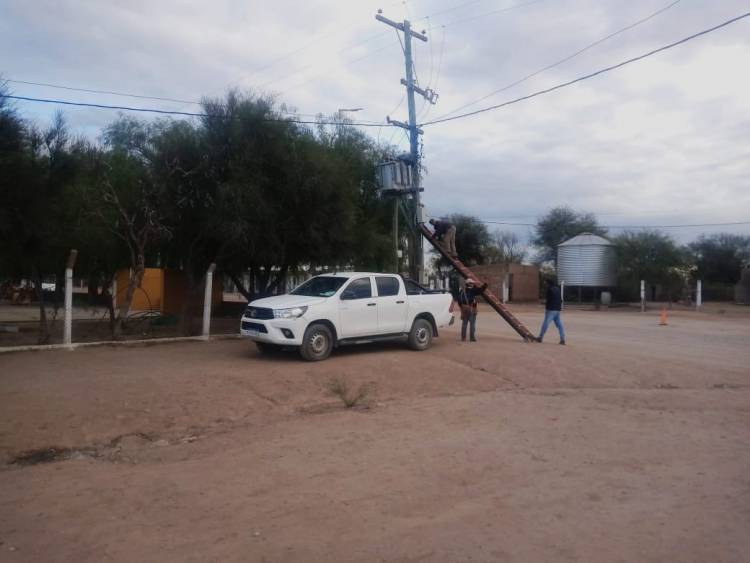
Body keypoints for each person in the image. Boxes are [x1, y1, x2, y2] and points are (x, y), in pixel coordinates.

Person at [538, 280, 566, 345]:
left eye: (546, 284)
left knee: (546, 323)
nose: (546, 285)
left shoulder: (549, 289)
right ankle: (562, 339)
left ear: (549, 284)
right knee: (559, 324)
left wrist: (545, 303)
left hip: (551, 309)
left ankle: (540, 337)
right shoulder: (558, 289)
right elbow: (561, 300)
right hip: (558, 309)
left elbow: (548, 299)